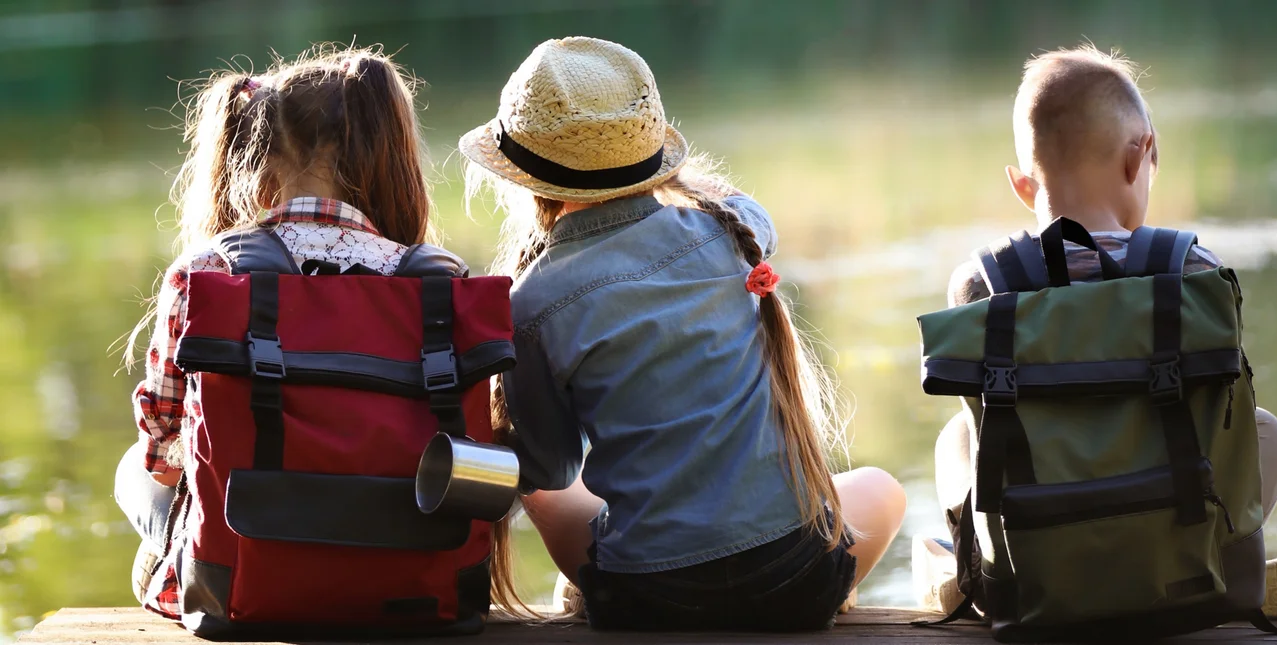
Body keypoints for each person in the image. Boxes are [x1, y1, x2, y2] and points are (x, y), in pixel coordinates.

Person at [461, 37, 906, 631]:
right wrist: (665, 177)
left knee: (543, 491)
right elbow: (743, 206)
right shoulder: (735, 232)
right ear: (656, 155)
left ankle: (592, 584)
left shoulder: (530, 305)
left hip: (646, 603)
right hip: (796, 584)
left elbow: (552, 468)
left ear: (524, 180)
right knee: (882, 487)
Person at [114, 45, 502, 619]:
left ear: (252, 167)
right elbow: (480, 457)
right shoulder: (441, 283)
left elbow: (162, 448)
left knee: (131, 471)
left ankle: (173, 573)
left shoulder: (209, 274)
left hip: (244, 583)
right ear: (380, 158)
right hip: (422, 585)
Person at [918, 44, 1277, 617]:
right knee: (1263, 430)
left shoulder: (980, 287)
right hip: (1173, 538)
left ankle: (975, 569)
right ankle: (1205, 558)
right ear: (1137, 157)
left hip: (1037, 555)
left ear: (1022, 186)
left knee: (956, 438)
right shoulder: (1193, 272)